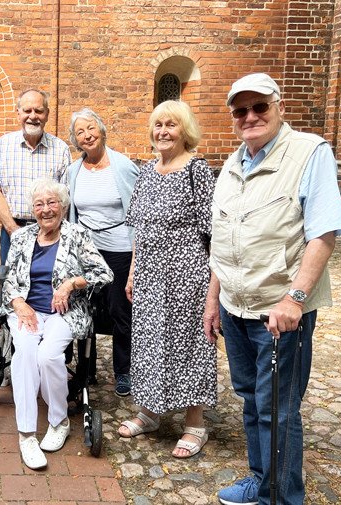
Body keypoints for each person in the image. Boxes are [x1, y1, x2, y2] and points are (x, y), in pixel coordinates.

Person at [204, 73, 341, 505]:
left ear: (278, 105)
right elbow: (223, 238)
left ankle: (282, 498)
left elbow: (323, 234)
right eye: (240, 111)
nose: (250, 116)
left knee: (278, 409)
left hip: (279, 312)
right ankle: (261, 478)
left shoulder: (309, 153)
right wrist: (213, 300)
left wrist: (295, 299)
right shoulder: (233, 164)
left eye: (259, 107)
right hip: (235, 307)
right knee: (250, 399)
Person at [118, 100, 217, 460]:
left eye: (171, 125)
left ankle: (195, 423)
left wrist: (212, 286)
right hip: (149, 273)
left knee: (189, 343)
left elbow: (213, 233)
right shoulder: (146, 171)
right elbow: (139, 231)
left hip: (187, 273)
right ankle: (151, 411)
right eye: (158, 125)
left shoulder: (197, 170)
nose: (163, 131)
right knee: (148, 342)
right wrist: (132, 272)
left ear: (184, 130)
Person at [0, 179, 113, 470]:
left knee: (48, 356)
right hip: (27, 311)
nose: (46, 209)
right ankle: (26, 435)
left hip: (65, 312)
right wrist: (20, 305)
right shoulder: (22, 237)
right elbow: (9, 280)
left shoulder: (77, 235)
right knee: (23, 355)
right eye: (39, 204)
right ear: (32, 209)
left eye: (52, 203)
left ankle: (59, 421)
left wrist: (70, 284)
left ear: (62, 206)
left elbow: (104, 273)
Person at [66, 107, 139, 397]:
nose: (87, 135)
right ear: (75, 140)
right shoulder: (73, 170)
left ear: (102, 130)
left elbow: (137, 212)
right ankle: (88, 367)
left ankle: (124, 371)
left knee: (121, 310)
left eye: (90, 128)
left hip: (120, 247)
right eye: (80, 132)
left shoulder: (123, 166)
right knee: (84, 309)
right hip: (86, 250)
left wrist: (136, 257)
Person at [0, 89, 71, 265]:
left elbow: (65, 197)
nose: (33, 116)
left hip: (51, 231)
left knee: (47, 285)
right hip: (12, 229)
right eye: (27, 111)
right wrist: (12, 229)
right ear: (18, 112)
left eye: (39, 111)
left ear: (47, 114)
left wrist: (53, 229)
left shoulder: (61, 149)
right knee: (9, 284)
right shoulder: (1, 146)